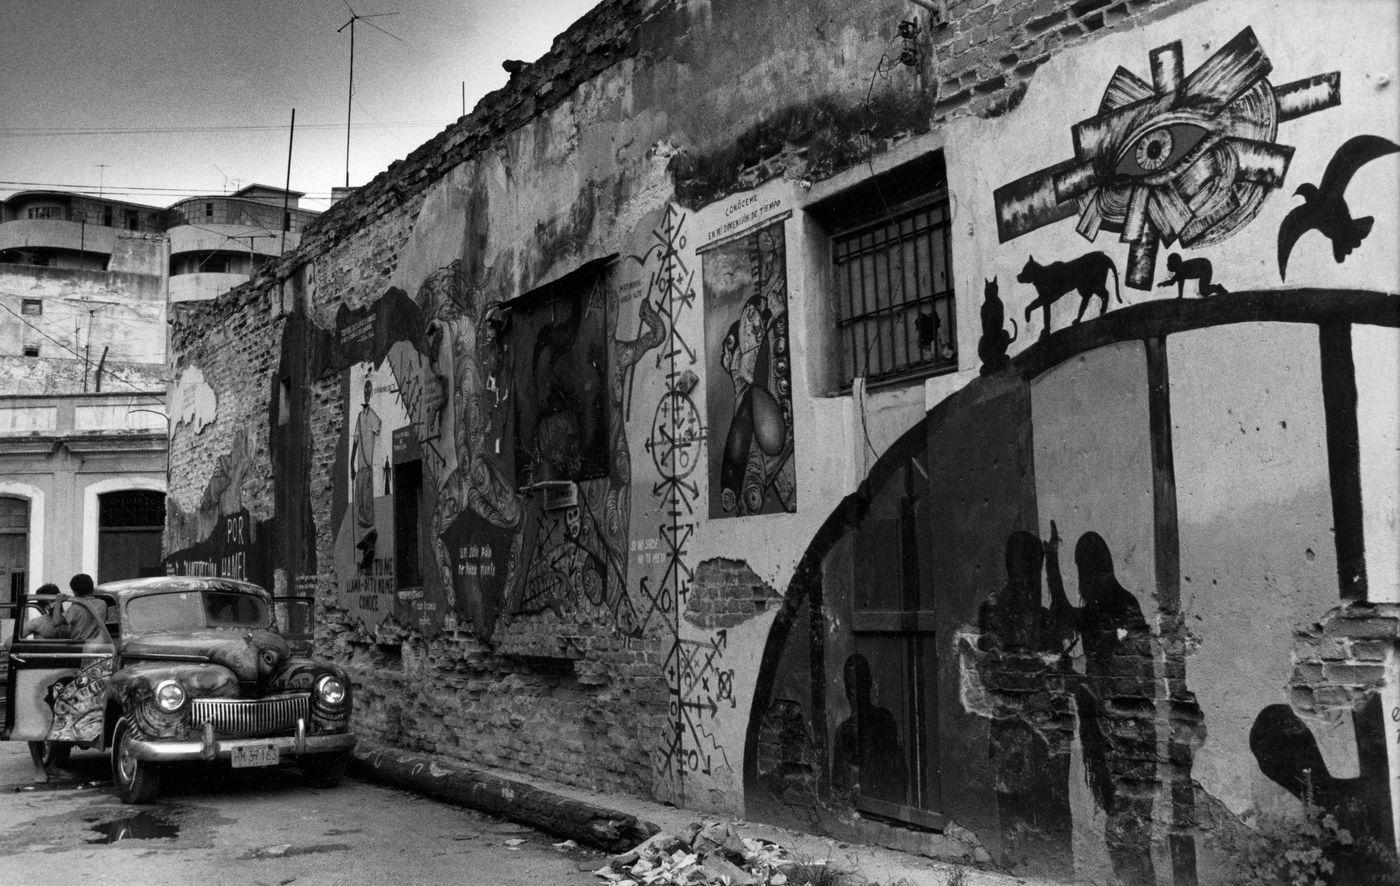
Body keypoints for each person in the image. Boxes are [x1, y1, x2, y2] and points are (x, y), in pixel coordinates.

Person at [24, 574, 108, 642]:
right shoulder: (102, 604)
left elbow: (56, 621)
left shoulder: (73, 611)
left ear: (74, 592)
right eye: (47, 603)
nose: (51, 605)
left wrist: (59, 602)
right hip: (94, 647)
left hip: (78, 650)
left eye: (52, 601)